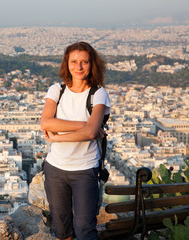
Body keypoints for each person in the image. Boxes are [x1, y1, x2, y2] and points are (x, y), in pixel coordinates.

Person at [40, 41, 111, 240]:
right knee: (62, 229)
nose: (78, 67)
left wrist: (58, 136)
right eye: (74, 61)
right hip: (55, 169)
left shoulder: (98, 94)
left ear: (92, 65)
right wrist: (84, 123)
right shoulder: (57, 90)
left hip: (85, 170)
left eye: (84, 62)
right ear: (66, 63)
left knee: (85, 229)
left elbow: (90, 133)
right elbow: (45, 122)